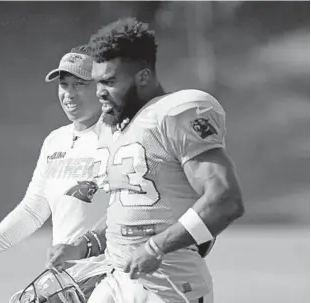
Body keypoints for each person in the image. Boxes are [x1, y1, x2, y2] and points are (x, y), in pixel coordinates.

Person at [47, 18, 245, 303]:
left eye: (110, 81)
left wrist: (155, 247)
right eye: (98, 81)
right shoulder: (114, 127)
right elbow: (130, 209)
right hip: (117, 278)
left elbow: (225, 200)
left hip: (170, 286)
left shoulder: (175, 113)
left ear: (142, 77)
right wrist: (84, 245)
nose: (99, 90)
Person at [0, 45, 111, 300]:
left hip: (112, 277)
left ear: (102, 87)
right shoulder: (55, 141)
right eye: (64, 85)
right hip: (67, 284)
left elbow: (135, 211)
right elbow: (34, 209)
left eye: (80, 84)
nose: (69, 94)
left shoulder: (122, 135)